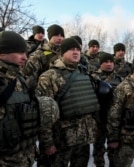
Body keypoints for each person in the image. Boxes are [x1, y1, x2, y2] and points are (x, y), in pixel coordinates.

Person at [35, 38, 100, 167]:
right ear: (62, 52)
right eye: (71, 49)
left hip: (83, 140)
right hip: (60, 141)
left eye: (78, 50)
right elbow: (43, 115)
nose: (75, 52)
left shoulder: (85, 74)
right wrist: (48, 143)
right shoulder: (49, 77)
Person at [0, 31, 59, 167]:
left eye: (25, 53)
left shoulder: (19, 78)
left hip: (24, 158)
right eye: (20, 52)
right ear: (2, 53)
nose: (25, 58)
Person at [91, 52, 123, 167]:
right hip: (98, 118)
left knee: (114, 148)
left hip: (114, 120)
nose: (109, 64)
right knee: (98, 148)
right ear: (100, 64)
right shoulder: (93, 77)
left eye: (111, 62)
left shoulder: (120, 79)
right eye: (106, 62)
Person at [22, 24, 65, 90]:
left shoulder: (66, 53)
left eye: (62, 36)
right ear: (50, 37)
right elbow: (29, 79)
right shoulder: (39, 54)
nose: (60, 38)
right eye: (56, 35)